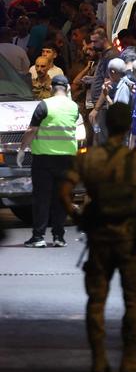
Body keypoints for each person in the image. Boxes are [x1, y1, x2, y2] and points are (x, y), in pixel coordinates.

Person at [59, 103, 136, 372]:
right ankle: (129, 358)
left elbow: (65, 191)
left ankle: (98, 358)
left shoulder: (89, 159)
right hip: (133, 240)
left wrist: (79, 216)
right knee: (134, 301)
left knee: (96, 300)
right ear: (129, 126)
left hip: (99, 237)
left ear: (106, 126)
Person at [19, 75, 82, 248]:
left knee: (41, 198)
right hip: (68, 159)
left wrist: (22, 148)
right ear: (67, 88)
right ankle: (58, 237)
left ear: (52, 88)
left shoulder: (44, 105)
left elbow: (32, 130)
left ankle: (38, 237)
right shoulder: (74, 107)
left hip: (44, 159)